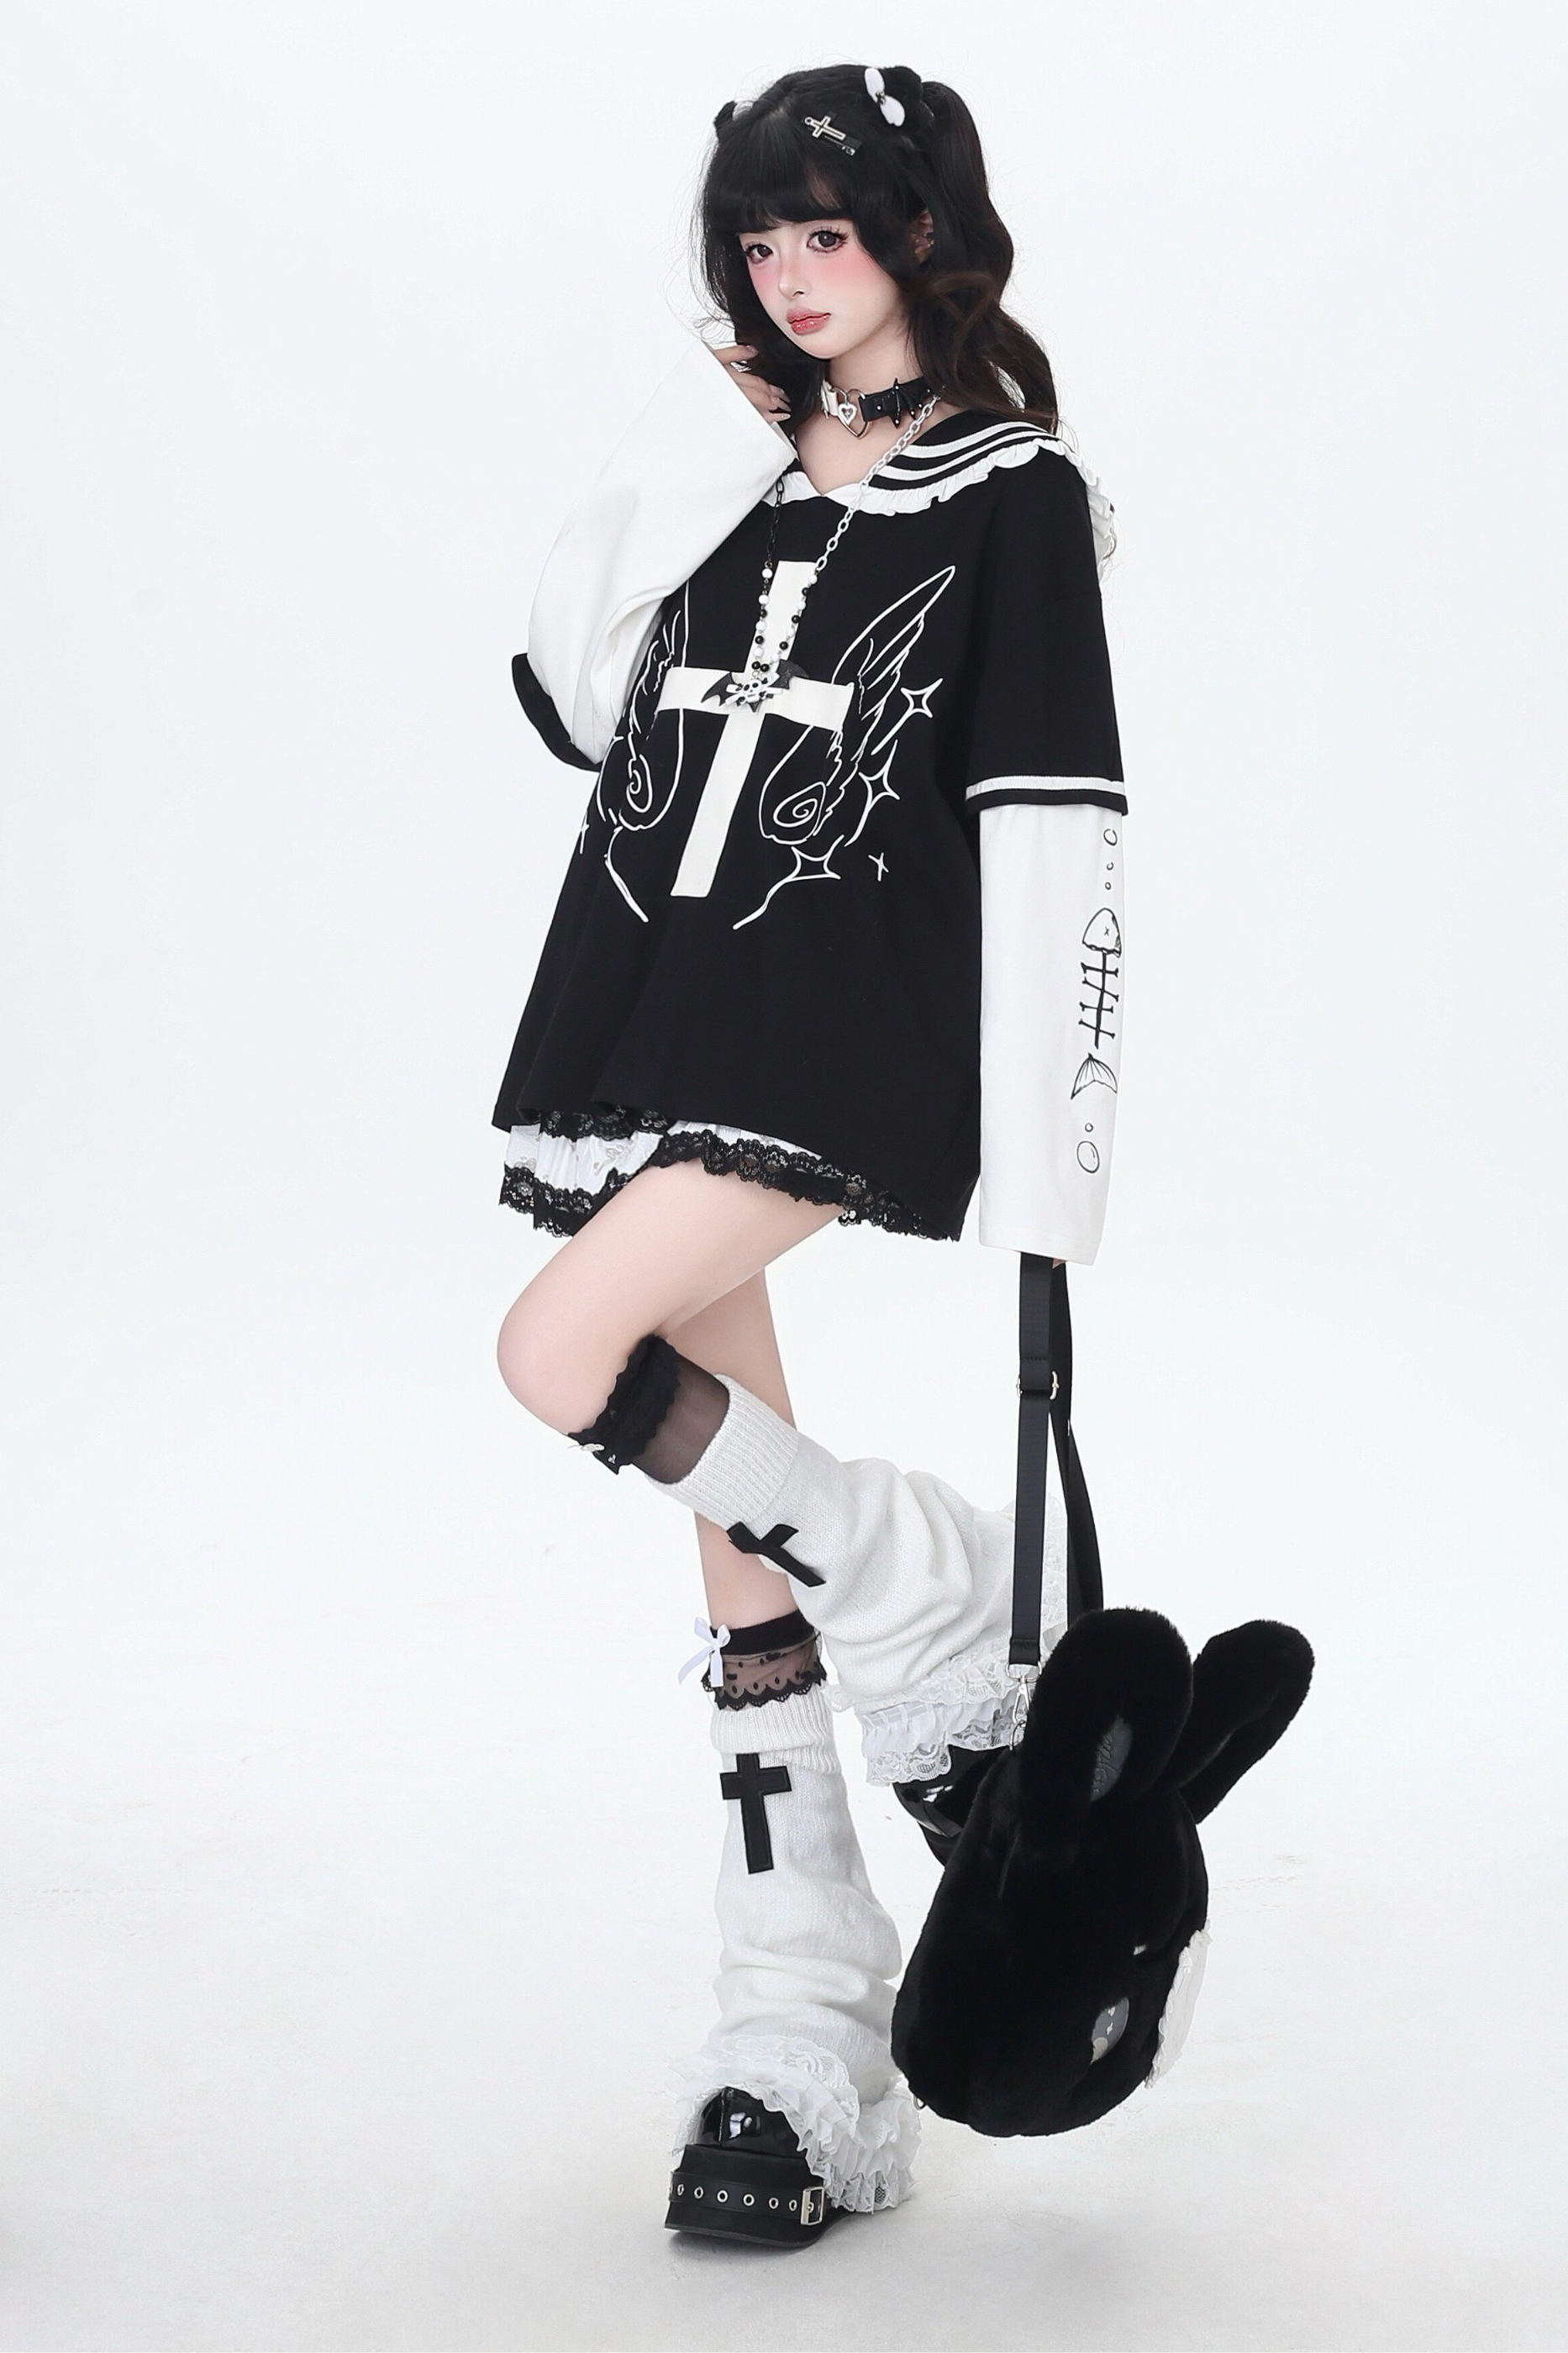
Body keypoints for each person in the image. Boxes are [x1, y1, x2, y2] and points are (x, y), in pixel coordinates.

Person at [492, 61, 1125, 2245]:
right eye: (756, 242)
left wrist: (1053, 1169)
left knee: (560, 1354)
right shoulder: (747, 477)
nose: (786, 276)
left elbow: (1056, 818)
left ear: (922, 232)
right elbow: (577, 691)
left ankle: (917, 1581)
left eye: (825, 234)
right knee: (727, 1547)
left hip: (855, 1031)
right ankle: (799, 2025)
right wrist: (714, 424)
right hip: (666, 1003)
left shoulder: (1012, 494)